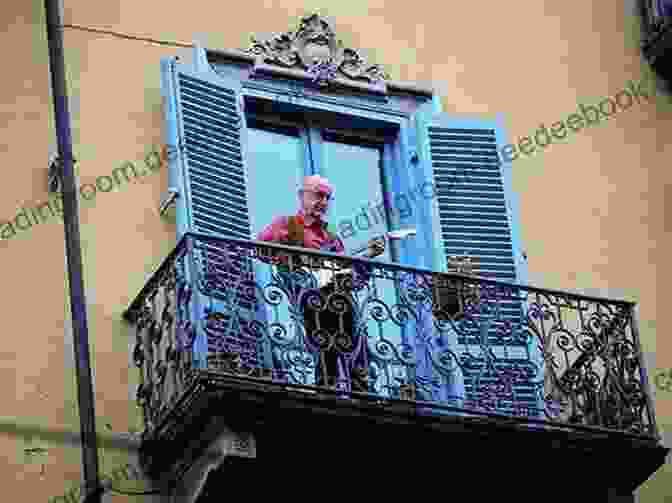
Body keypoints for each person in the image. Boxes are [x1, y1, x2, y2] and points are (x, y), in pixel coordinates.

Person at [256, 175, 385, 392]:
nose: (323, 202)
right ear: (302, 196)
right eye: (318, 195)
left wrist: (368, 257)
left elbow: (346, 275)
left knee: (353, 333)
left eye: (327, 198)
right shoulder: (286, 224)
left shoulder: (331, 238)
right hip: (308, 297)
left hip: (335, 300)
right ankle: (328, 384)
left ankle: (358, 386)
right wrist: (287, 257)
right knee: (325, 337)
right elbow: (260, 249)